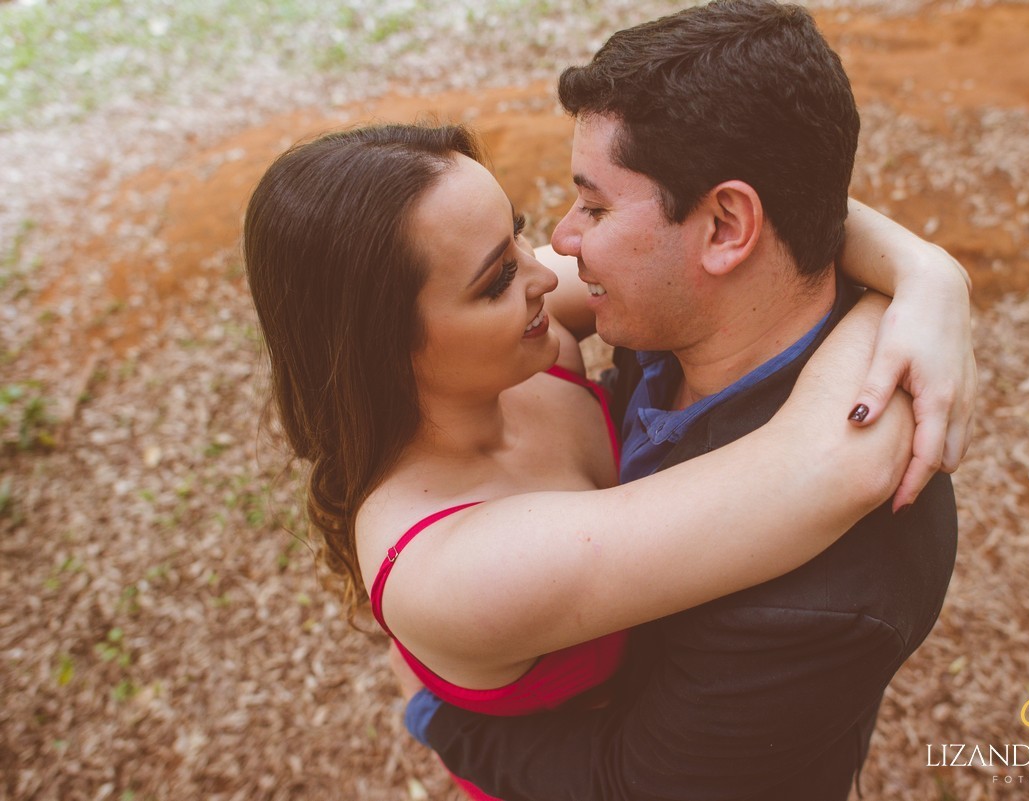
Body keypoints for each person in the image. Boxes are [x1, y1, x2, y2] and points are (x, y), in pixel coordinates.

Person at [391, 2, 964, 800]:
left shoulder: (819, 603)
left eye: (593, 205)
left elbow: (630, 784)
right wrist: (927, 267)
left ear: (726, 226)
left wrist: (441, 719)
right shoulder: (681, 313)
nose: (565, 238)